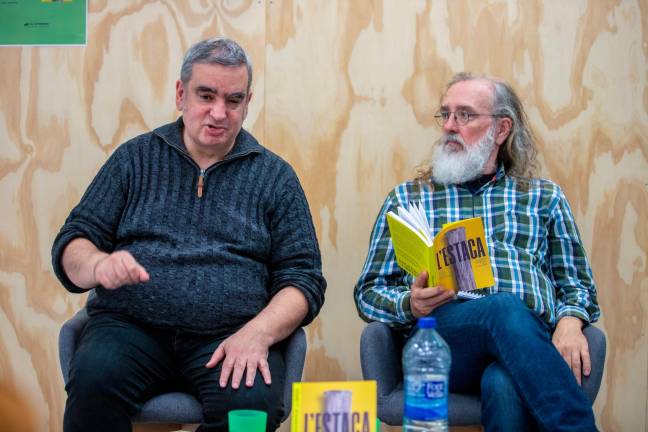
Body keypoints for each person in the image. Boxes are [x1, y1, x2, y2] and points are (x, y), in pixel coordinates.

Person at [52, 37, 326, 432]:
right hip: (130, 329)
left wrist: (258, 333)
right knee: (94, 382)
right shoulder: (134, 159)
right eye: (206, 95)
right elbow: (73, 242)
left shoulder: (275, 177)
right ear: (181, 94)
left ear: (248, 103)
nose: (219, 113)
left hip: (231, 336)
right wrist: (98, 263)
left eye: (233, 100)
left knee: (248, 410)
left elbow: (303, 278)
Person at [354, 72, 600, 431]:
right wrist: (411, 303)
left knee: (502, 382)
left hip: (528, 345)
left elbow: (579, 284)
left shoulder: (543, 198)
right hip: (446, 343)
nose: (450, 126)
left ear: (501, 129)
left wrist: (570, 320)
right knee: (501, 309)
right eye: (446, 115)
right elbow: (368, 293)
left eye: (465, 115)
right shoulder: (408, 199)